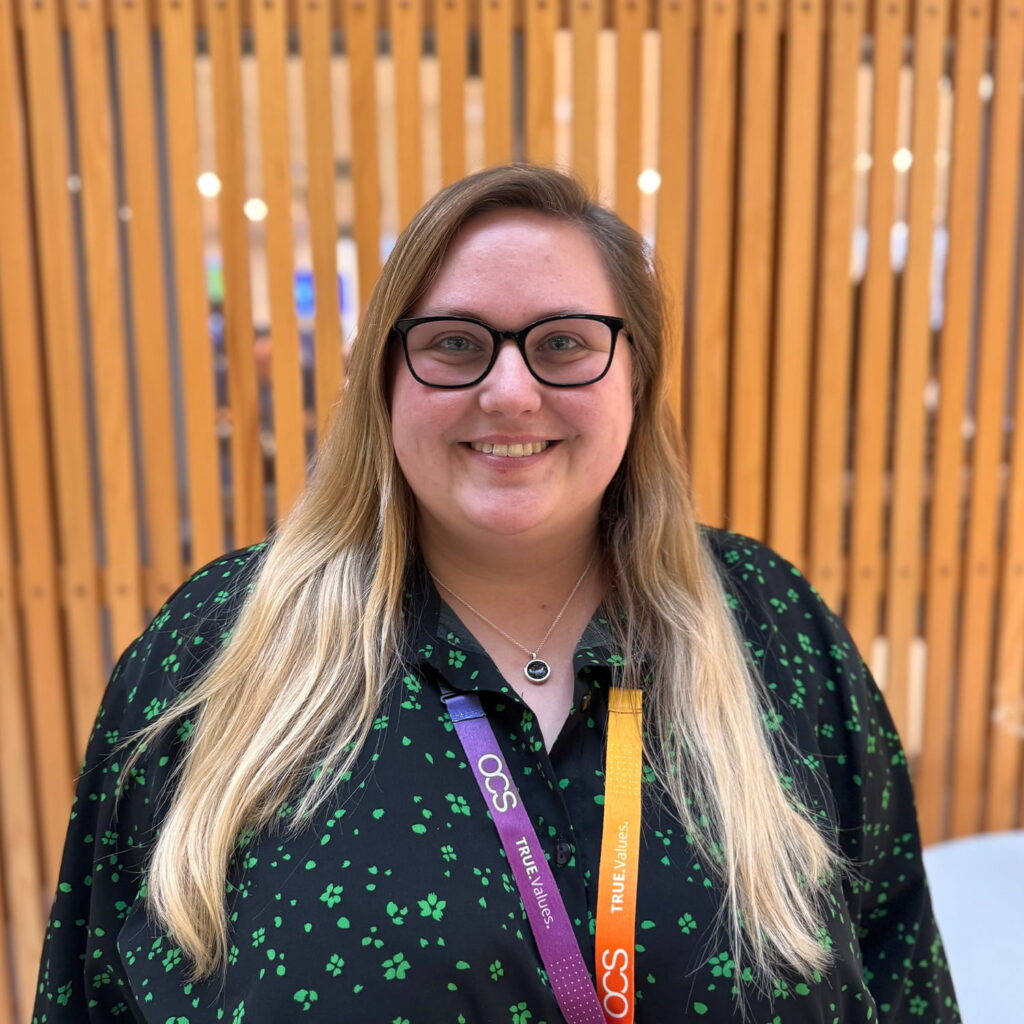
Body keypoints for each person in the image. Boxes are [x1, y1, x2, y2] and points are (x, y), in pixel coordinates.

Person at [33, 165, 959, 1023]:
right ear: (385, 381)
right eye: (453, 343)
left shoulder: (776, 630)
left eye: (563, 342)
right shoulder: (215, 646)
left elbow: (900, 968)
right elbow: (89, 988)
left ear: (635, 376)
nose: (510, 391)